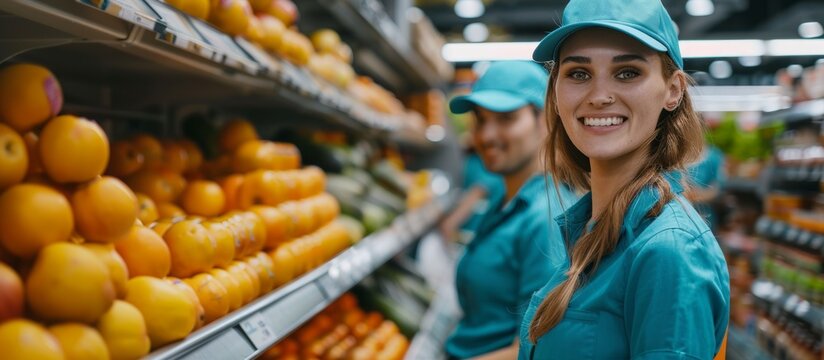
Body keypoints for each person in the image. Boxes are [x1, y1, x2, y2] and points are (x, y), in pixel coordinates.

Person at [518, 0, 730, 358]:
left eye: (628, 72)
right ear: (555, 91)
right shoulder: (589, 229)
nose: (599, 96)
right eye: (578, 74)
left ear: (673, 90)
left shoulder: (668, 251)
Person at [444, 61, 578, 360]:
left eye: (505, 118)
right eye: (480, 119)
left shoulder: (547, 217)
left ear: (545, 120)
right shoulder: (504, 201)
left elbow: (538, 348)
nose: (487, 135)